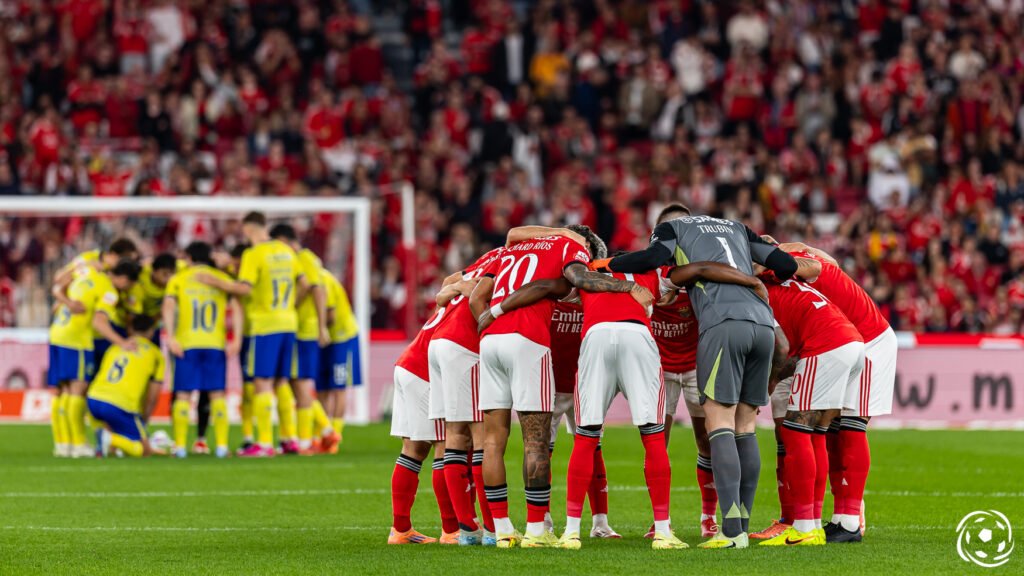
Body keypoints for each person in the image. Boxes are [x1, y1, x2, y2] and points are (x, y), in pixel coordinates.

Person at [596, 204, 811, 549]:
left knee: (719, 424)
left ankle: (730, 531)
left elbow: (652, 258)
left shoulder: (675, 230)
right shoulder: (737, 226)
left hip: (723, 325)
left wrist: (608, 263)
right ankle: (740, 522)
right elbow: (785, 265)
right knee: (746, 426)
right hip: (763, 325)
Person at [469, 224, 652, 548]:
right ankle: (538, 532)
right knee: (536, 442)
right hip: (527, 340)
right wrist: (625, 288)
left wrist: (492, 314)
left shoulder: (512, 249)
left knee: (493, 441)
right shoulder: (570, 249)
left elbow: (476, 296)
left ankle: (502, 531)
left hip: (491, 339)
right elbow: (574, 279)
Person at [775, 240, 897, 542]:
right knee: (831, 429)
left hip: (871, 341)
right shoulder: (801, 267)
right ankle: (843, 516)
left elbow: (817, 264)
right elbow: (825, 260)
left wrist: (778, 256)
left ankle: (851, 519)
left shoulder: (801, 267)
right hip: (849, 341)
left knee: (852, 427)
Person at [755, 264, 864, 547]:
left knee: (794, 432)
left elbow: (780, 347)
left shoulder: (759, 291)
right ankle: (813, 525)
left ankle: (803, 527)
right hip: (852, 343)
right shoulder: (788, 283)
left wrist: (766, 384)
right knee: (816, 432)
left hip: (827, 345)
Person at [196, 212, 307, 457]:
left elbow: (244, 288)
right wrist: (289, 306)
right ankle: (290, 439)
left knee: (262, 383)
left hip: (264, 326)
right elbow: (305, 282)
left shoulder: (253, 254)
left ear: (248, 229)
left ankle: (265, 443)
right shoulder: (286, 250)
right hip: (289, 322)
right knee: (281, 382)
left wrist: (214, 281)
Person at [428, 247, 504, 546]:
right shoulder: (505, 261)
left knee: (454, 435)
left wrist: (457, 286)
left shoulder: (486, 258)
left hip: (440, 343)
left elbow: (443, 292)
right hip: (464, 344)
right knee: (481, 435)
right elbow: (474, 294)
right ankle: (489, 528)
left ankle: (465, 530)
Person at [389, 281, 461, 545]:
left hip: (407, 364)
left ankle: (401, 530)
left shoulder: (456, 296)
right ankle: (452, 530)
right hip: (425, 372)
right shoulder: (476, 301)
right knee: (446, 445)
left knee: (413, 449)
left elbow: (448, 282)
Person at [48, 260, 140, 458]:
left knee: (63, 391)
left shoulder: (88, 272)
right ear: (124, 279)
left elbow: (57, 286)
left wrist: (67, 302)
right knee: (77, 390)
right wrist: (122, 342)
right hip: (77, 339)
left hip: (57, 332)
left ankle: (63, 444)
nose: (127, 290)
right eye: (129, 285)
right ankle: (79, 444)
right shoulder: (110, 292)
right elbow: (99, 323)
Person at [163, 241, 243, 459]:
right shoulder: (221, 278)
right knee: (217, 394)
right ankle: (222, 447)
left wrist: (171, 337)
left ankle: (179, 447)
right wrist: (236, 337)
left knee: (183, 395)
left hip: (187, 343)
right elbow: (236, 306)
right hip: (215, 344)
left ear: (188, 257)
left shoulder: (179, 279)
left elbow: (168, 306)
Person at [270, 224, 331, 454]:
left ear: (284, 240)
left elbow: (316, 290)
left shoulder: (303, 258)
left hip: (304, 329)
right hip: (305, 328)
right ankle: (324, 431)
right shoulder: (308, 258)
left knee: (300, 383)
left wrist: (321, 325)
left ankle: (306, 441)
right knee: (295, 383)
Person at [87, 315, 166, 457]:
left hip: (93, 400)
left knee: (116, 444)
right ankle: (108, 438)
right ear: (151, 331)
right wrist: (143, 422)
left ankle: (108, 441)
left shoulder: (115, 347)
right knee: (144, 451)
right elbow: (152, 396)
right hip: (119, 404)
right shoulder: (156, 354)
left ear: (130, 329)